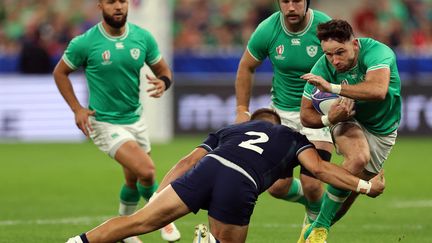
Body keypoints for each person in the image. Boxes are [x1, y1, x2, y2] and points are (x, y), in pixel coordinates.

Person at [65, 108, 385, 243]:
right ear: (276, 121)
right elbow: (319, 169)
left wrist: (159, 199)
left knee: (140, 222)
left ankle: (77, 242)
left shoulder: (231, 129)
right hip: (241, 181)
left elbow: (187, 161)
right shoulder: (290, 137)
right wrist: (364, 185)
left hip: (210, 168)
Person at [52, 0, 180, 242]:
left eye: (122, 1)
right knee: (147, 170)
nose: (118, 6)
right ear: (100, 5)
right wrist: (77, 108)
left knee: (132, 181)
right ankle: (166, 219)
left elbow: (164, 69)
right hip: (104, 123)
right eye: (111, 2)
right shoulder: (85, 42)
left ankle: (123, 234)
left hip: (135, 119)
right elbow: (60, 72)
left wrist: (163, 82)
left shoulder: (142, 38)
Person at [298, 19, 401, 243]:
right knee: (357, 158)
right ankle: (319, 232)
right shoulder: (321, 67)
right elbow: (305, 115)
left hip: (383, 129)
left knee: (345, 197)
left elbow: (378, 90)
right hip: (348, 119)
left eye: (340, 52)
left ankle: (313, 230)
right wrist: (329, 118)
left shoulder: (378, 53)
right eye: (328, 54)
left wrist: (332, 87)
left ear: (354, 44)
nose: (334, 61)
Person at [235, 0, 333, 225]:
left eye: (297, 1)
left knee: (312, 182)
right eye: (285, 1)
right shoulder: (268, 29)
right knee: (278, 188)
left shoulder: (324, 27)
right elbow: (246, 66)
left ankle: (314, 231)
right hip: (283, 115)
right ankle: (318, 206)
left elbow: (346, 61)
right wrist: (242, 109)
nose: (291, 7)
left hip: (318, 112)